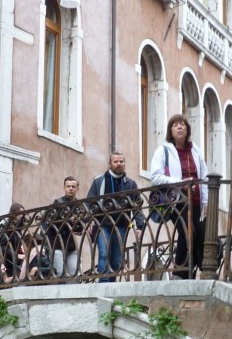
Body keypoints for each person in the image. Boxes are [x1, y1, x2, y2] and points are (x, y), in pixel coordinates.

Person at [150, 114, 208, 276]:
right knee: (188, 232)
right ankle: (181, 272)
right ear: (171, 130)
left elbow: (204, 176)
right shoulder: (164, 150)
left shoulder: (195, 150)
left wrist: (206, 201)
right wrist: (180, 182)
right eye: (175, 125)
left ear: (188, 129)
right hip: (176, 201)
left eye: (182, 124)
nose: (179, 127)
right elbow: (155, 176)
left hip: (197, 202)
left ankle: (197, 268)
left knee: (204, 234)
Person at [85, 152, 145, 282]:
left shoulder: (130, 184)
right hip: (103, 225)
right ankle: (103, 285)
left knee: (117, 260)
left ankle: (111, 286)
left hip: (122, 226)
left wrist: (139, 226)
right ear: (110, 164)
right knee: (104, 254)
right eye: (116, 161)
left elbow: (137, 207)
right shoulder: (99, 181)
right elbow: (89, 202)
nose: (119, 164)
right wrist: (88, 220)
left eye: (121, 161)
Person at [45, 177, 84, 277]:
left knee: (74, 274)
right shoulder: (57, 203)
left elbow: (80, 229)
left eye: (73, 186)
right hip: (57, 245)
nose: (71, 188)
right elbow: (51, 225)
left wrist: (77, 225)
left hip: (71, 246)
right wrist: (68, 220)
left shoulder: (79, 205)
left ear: (77, 189)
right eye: (68, 186)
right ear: (64, 188)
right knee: (59, 274)